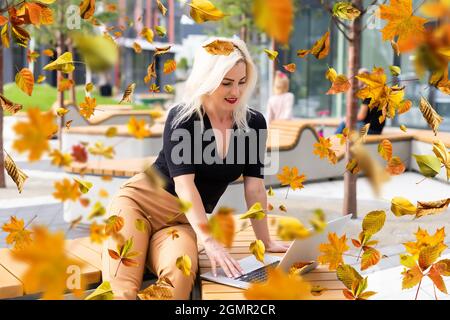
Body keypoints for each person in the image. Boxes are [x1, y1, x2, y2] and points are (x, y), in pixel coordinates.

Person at [101, 36, 289, 300]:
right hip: (138, 204)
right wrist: (209, 240)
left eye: (241, 82)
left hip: (181, 221)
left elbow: (255, 188)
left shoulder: (253, 124)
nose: (235, 92)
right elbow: (184, 184)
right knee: (122, 289)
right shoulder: (183, 118)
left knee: (180, 277)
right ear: (208, 78)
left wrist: (265, 242)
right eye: (226, 83)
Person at [334, 68, 386, 135]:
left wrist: (348, 118)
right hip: (377, 129)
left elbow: (361, 116)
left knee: (345, 123)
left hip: (370, 129)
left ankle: (333, 142)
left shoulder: (369, 93)